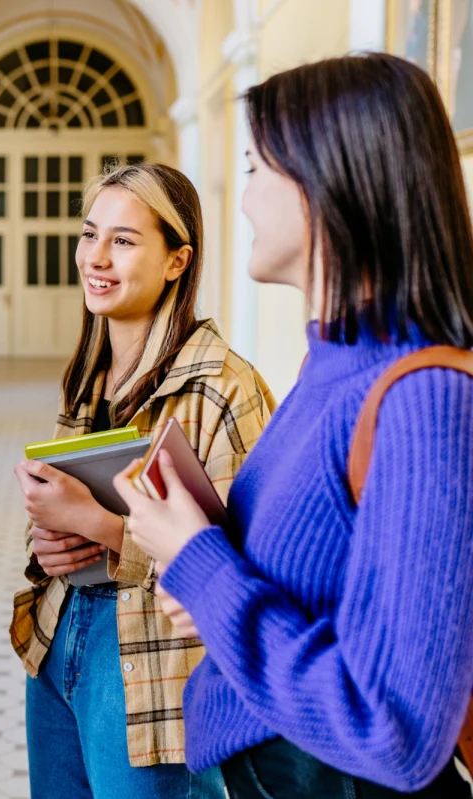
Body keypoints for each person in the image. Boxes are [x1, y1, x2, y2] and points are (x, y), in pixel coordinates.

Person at [117, 53, 473, 798]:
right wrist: (202, 570)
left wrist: (200, 561)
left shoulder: (425, 398)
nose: (240, 201)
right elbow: (316, 587)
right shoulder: (334, 363)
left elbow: (397, 731)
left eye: (253, 168)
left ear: (329, 181)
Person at [10, 162, 275, 798]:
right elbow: (64, 504)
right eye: (89, 233)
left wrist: (94, 525)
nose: (95, 257)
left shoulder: (223, 387)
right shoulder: (90, 371)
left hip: (152, 663)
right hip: (60, 636)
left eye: (124, 241)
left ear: (178, 261)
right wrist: (48, 546)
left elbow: (237, 579)